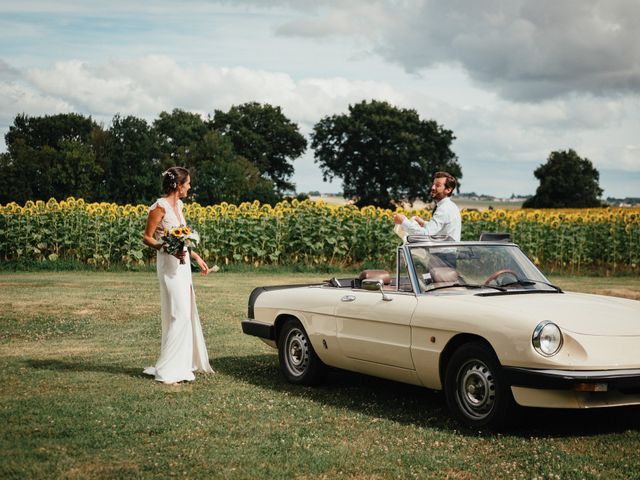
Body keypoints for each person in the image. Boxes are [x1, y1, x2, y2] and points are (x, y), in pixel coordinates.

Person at [142, 167, 214, 384]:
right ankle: (169, 367)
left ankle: (181, 363)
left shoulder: (179, 205)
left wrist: (196, 257)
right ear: (177, 186)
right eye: (188, 183)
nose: (190, 187)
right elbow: (147, 237)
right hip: (168, 266)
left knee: (186, 310)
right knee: (179, 313)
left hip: (182, 266)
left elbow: (182, 237)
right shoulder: (159, 207)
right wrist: (164, 248)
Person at [393, 171, 461, 241]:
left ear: (448, 190)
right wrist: (423, 223)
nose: (433, 187)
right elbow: (441, 228)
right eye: (433, 184)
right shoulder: (451, 206)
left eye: (438, 185)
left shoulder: (444, 209)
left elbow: (425, 234)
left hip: (442, 251)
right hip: (448, 250)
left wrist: (403, 222)